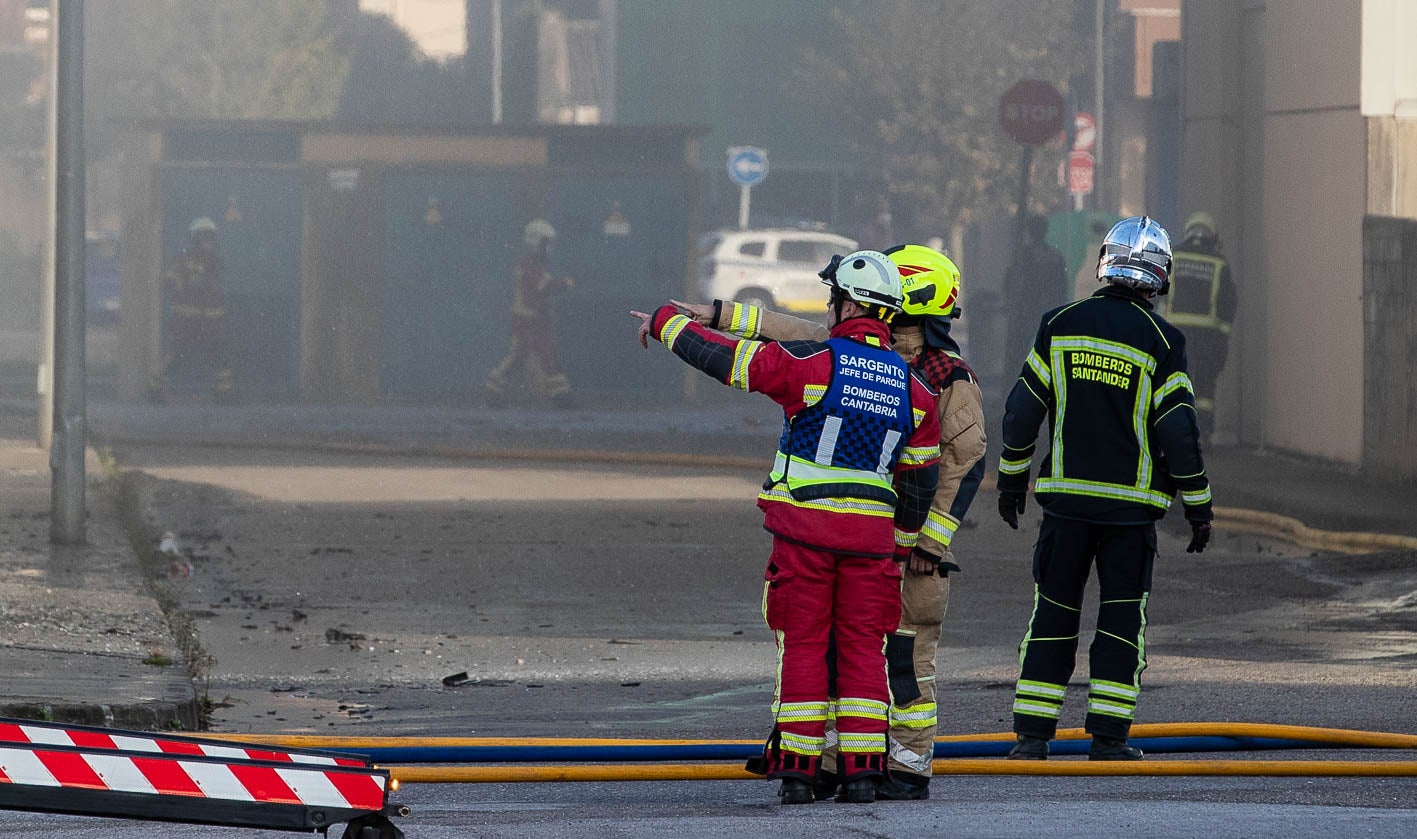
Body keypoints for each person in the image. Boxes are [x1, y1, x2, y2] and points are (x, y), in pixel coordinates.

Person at [671, 243, 986, 801]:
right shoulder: (906, 376)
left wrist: (922, 545)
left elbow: (960, 468)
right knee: (857, 654)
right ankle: (846, 765)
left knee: (890, 663)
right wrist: (720, 314)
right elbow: (793, 330)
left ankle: (898, 767)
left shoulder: (941, 377)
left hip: (881, 549)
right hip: (878, 542)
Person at [996, 216, 1213, 762]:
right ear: (1161, 277)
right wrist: (1198, 502)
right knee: (1121, 617)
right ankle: (1110, 738)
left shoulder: (1059, 323)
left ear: (1104, 263)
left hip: (1066, 504)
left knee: (1053, 610)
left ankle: (1031, 738)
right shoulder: (1165, 340)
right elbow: (1178, 430)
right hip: (1131, 511)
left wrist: (1011, 478)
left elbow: (1023, 411)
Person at [1157, 212, 1238, 439]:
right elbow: (1228, 301)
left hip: (1175, 332)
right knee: (1204, 383)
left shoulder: (1174, 257)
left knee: (1175, 381)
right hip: (1208, 334)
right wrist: (1223, 335)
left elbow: (1157, 290)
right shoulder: (1219, 262)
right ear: (1212, 235)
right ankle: (1202, 433)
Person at [484, 219, 575, 407]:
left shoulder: (537, 264)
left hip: (540, 320)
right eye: (545, 243)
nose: (548, 248)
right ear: (536, 242)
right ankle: (491, 394)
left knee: (549, 355)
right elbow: (544, 286)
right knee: (518, 356)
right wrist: (567, 283)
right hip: (524, 320)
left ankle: (561, 396)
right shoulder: (527, 264)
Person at [150, 217, 233, 402]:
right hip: (186, 320)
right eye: (203, 238)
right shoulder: (182, 260)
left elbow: (214, 292)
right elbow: (169, 281)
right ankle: (154, 390)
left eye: (210, 238)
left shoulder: (215, 262)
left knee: (219, 356)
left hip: (210, 320)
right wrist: (184, 286)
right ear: (195, 239)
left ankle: (224, 393)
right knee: (174, 357)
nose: (207, 242)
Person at [1002, 214, 1070, 385]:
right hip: (1046, 309)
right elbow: (1061, 287)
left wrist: (1011, 302)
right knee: (1047, 350)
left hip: (1027, 309)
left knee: (1019, 351)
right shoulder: (1054, 257)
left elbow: (1011, 281)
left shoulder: (1024, 256)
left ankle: (1017, 383)